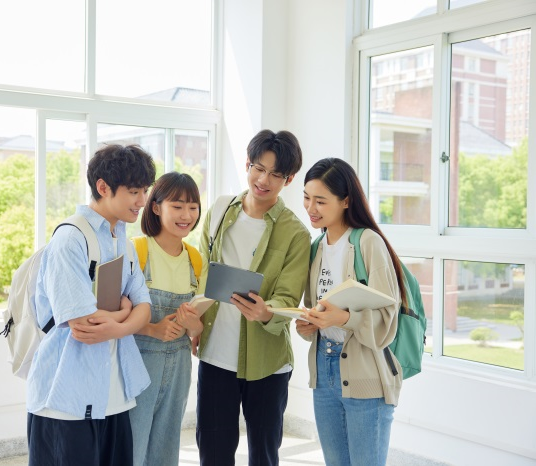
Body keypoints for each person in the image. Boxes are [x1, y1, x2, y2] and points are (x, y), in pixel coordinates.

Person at [26, 144, 157, 466]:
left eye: (145, 191)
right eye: (134, 191)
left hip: (114, 397)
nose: (142, 201)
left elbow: (146, 307)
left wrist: (124, 320)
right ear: (103, 187)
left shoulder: (122, 241)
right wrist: (127, 314)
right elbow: (85, 325)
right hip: (66, 400)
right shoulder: (70, 239)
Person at [193, 129, 310, 466]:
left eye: (276, 174)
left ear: (288, 180)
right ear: (247, 164)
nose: (264, 180)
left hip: (267, 363)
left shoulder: (295, 233)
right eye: (259, 168)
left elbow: (288, 298)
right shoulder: (218, 211)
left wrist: (266, 313)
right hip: (216, 356)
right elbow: (202, 276)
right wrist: (195, 322)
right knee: (213, 453)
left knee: (264, 454)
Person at [296, 157, 404, 466]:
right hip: (323, 370)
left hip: (365, 369)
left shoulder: (368, 242)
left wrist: (343, 318)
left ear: (345, 201)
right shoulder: (316, 247)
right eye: (306, 197)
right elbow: (321, 311)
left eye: (320, 201)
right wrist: (310, 325)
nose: (310, 208)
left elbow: (387, 319)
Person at [129, 171, 205, 466]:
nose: (186, 215)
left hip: (180, 367)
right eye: (177, 206)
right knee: (132, 448)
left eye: (193, 207)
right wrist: (152, 328)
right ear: (156, 207)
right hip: (138, 364)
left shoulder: (195, 260)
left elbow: (198, 331)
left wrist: (191, 324)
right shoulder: (137, 250)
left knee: (166, 448)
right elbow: (113, 315)